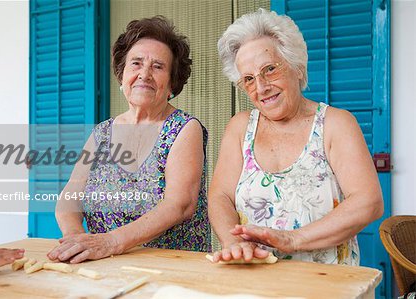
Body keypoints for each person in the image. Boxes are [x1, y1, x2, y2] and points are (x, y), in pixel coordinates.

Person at [209, 9, 383, 265]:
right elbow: (220, 196)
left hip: (325, 281)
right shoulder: (240, 128)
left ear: (298, 67)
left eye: (269, 69)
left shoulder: (335, 124)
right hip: (255, 277)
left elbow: (368, 202)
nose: (261, 87)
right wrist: (233, 241)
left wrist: (292, 239)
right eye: (248, 79)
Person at [48, 16, 211, 264]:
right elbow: (71, 194)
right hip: (105, 265)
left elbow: (180, 205)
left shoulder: (184, 129)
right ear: (122, 76)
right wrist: (76, 238)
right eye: (136, 63)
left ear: (172, 84)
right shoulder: (101, 133)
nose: (144, 74)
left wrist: (110, 241)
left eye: (158, 66)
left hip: (172, 269)